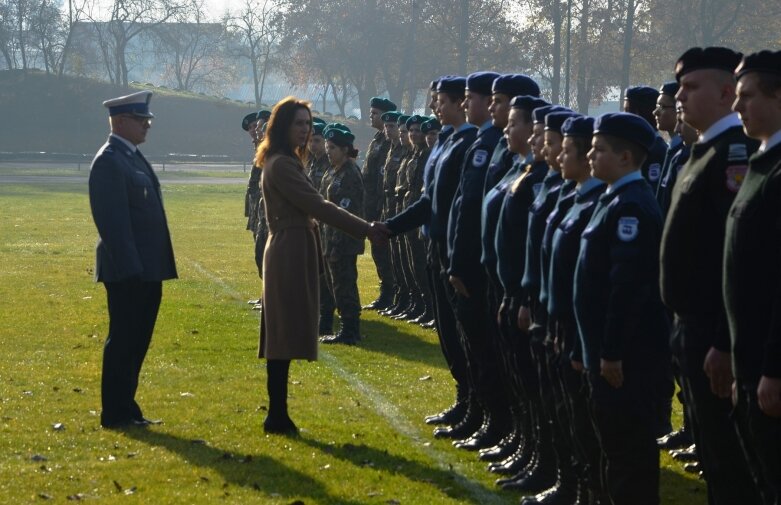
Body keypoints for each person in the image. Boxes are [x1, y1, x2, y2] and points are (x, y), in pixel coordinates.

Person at [660, 46, 761, 504]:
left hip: (713, 335)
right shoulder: (702, 151)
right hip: (691, 328)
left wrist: (722, 340)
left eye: (690, 87)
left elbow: (737, 260)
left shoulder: (732, 156)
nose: (679, 96)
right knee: (713, 453)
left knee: (731, 460)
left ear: (725, 93)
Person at [255, 96, 386, 435]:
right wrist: (366, 228)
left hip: (293, 245)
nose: (306, 130)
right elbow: (318, 205)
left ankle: (279, 413)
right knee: (282, 334)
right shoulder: (282, 164)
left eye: (308, 124)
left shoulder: (285, 160)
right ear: (283, 126)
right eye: (299, 123)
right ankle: (277, 414)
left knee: (284, 331)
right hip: (289, 248)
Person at [574, 112, 670, 505]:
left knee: (630, 453)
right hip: (611, 352)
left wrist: (611, 352)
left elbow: (626, 288)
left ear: (626, 158)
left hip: (628, 357)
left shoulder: (631, 206)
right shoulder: (614, 197)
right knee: (615, 448)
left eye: (599, 150)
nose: (590, 157)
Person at [88, 90, 177, 429]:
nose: (147, 127)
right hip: (130, 273)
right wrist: (132, 271)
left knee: (137, 341)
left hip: (146, 269)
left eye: (147, 121)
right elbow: (113, 224)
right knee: (124, 340)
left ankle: (127, 407)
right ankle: (115, 412)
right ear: (121, 121)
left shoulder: (131, 156)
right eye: (141, 121)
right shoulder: (110, 160)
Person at [725, 49, 781, 505]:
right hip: (749, 363)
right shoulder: (763, 162)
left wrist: (773, 369)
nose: (736, 106)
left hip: (769, 368)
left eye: (746, 96)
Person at [319, 125, 366, 345]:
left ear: (345, 149)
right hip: (329, 238)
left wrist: (338, 241)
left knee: (345, 284)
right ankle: (339, 326)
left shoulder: (350, 173)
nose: (329, 151)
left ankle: (350, 331)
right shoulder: (332, 171)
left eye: (333, 147)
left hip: (343, 240)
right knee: (333, 284)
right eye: (327, 147)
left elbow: (348, 211)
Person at [362, 97, 398, 310]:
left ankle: (391, 295)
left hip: (384, 205)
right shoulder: (377, 139)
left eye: (375, 113)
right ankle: (386, 293)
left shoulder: (389, 142)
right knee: (378, 251)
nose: (371, 116)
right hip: (373, 204)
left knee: (387, 252)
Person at [623, 86, 668, 186]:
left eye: (627, 111)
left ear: (640, 113)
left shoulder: (655, 151)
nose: (623, 116)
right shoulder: (640, 147)